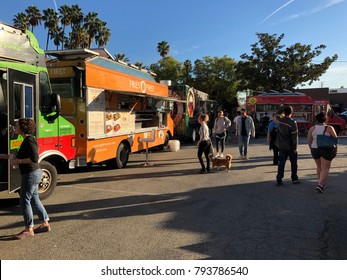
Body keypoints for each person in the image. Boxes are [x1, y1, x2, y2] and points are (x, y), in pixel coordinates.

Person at [10, 118, 51, 240]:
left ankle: (29, 229)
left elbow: (34, 158)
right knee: (34, 199)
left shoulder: (29, 141)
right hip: (33, 174)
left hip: (31, 174)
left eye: (16, 125)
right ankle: (45, 224)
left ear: (22, 128)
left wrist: (18, 161)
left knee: (24, 201)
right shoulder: (27, 140)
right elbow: (20, 156)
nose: (14, 127)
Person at [307, 111, 337, 193]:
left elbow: (309, 141)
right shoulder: (330, 128)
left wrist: (311, 149)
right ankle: (320, 184)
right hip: (326, 149)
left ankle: (320, 182)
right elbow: (335, 140)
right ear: (325, 119)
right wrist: (335, 150)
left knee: (319, 166)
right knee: (325, 168)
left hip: (314, 149)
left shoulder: (312, 128)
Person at [275, 106, 300, 186]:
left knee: (281, 163)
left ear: (284, 112)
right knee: (293, 163)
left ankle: (279, 180)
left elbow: (276, 114)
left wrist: (283, 109)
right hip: (291, 147)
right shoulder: (293, 123)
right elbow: (294, 137)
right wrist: (295, 147)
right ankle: (294, 178)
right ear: (291, 113)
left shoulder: (279, 120)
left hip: (281, 146)